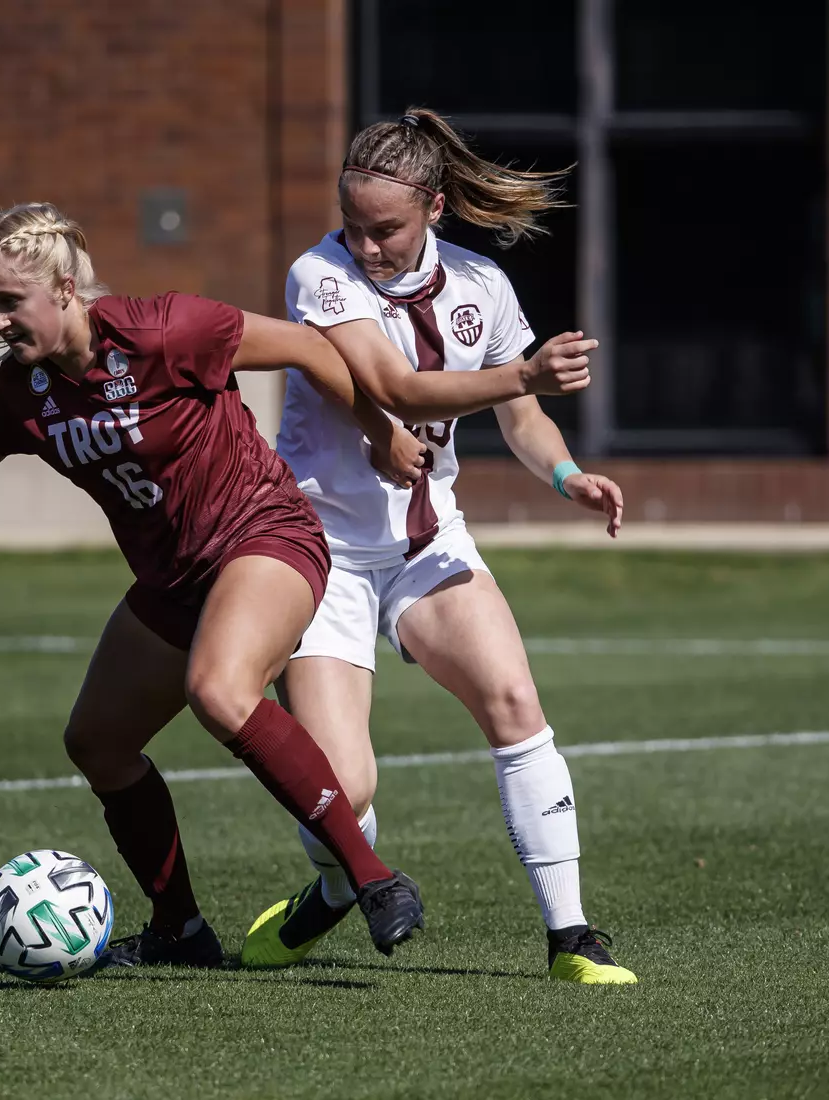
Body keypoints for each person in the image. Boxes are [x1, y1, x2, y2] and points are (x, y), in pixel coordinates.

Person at [0, 202, 429, 968]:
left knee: (221, 692)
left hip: (264, 536)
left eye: (8, 301)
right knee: (96, 742)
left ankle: (373, 880)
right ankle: (180, 931)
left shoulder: (164, 330)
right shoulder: (19, 397)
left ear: (64, 290)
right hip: (172, 578)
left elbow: (305, 343)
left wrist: (379, 430)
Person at [240, 110, 637, 984]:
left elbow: (519, 417)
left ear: (434, 206)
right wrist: (525, 371)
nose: (367, 245)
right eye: (354, 225)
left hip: (425, 543)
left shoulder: (481, 284)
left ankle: (571, 936)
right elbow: (395, 385)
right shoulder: (321, 275)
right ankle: (337, 885)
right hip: (321, 555)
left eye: (384, 228)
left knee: (513, 699)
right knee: (342, 789)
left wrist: (568, 473)